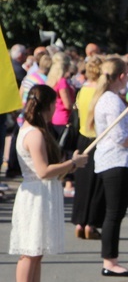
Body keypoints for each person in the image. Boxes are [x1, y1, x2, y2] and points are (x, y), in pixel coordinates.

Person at [9, 84, 88, 282]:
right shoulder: (33, 133)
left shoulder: (35, 130)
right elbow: (43, 171)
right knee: (29, 250)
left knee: (37, 250)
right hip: (34, 195)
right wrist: (73, 164)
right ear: (49, 105)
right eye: (55, 104)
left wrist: (69, 163)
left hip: (41, 193)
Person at [90, 57, 128, 276]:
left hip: (119, 161)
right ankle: (110, 261)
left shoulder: (112, 99)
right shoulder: (111, 101)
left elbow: (123, 134)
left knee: (115, 213)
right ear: (122, 76)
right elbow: (120, 137)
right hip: (117, 161)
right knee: (114, 214)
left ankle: (111, 259)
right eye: (127, 72)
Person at [71, 57, 105, 241]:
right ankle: (91, 224)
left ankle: (79, 222)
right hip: (97, 138)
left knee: (83, 183)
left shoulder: (82, 89)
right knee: (97, 183)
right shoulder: (101, 91)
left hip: (83, 137)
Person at [46, 51, 76, 198]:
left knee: (58, 150)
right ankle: (68, 182)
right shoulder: (62, 81)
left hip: (54, 118)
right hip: (64, 118)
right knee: (67, 151)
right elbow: (67, 103)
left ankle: (61, 178)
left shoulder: (51, 79)